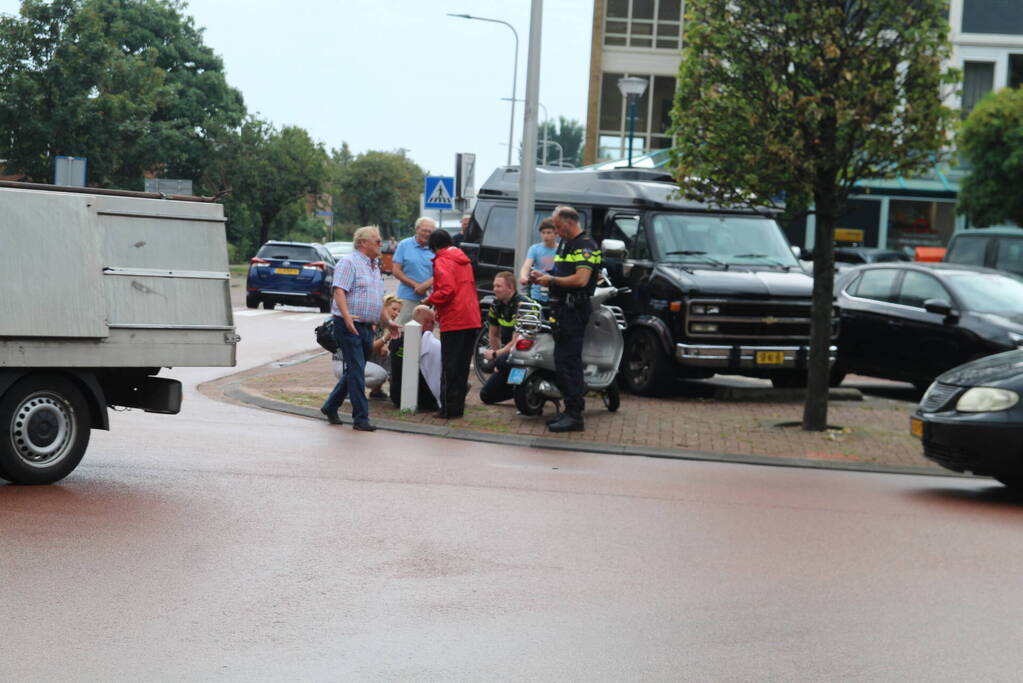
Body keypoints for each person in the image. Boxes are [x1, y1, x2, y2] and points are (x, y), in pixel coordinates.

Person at [529, 205, 601, 432]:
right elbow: (562, 273)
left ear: (570, 222)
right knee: (562, 360)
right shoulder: (567, 244)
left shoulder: (585, 246)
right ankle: (570, 410)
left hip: (574, 310)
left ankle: (575, 415)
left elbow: (581, 280)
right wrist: (545, 277)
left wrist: (551, 281)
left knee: (569, 361)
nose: (556, 230)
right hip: (562, 310)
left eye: (558, 226)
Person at [320, 225, 397, 432]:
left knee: (356, 369)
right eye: (378, 241)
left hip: (367, 327)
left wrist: (388, 322)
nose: (382, 244)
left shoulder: (374, 266)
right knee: (355, 370)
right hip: (349, 325)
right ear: (363, 243)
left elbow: (377, 300)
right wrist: (346, 317)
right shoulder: (349, 262)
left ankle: (330, 406)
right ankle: (360, 418)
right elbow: (339, 292)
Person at [424, 228, 482, 419]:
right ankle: (458, 408)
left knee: (450, 366)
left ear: (434, 246)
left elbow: (447, 290)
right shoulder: (462, 259)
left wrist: (430, 300)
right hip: (471, 317)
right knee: (462, 366)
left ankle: (448, 409)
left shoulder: (443, 260)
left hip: (455, 319)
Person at [479, 271, 533, 405]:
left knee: (502, 361)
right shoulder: (496, 305)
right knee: (486, 395)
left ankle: (527, 388)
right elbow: (493, 335)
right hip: (509, 354)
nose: (494, 289)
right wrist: (498, 359)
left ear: (510, 287)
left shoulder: (523, 305)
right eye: (494, 286)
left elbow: (516, 341)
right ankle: (522, 390)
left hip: (527, 351)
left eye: (498, 286)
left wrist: (496, 355)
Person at [392, 217, 436, 325]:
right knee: (402, 330)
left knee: (424, 333)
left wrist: (425, 286)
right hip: (407, 296)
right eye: (424, 230)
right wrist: (415, 285)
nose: (427, 234)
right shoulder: (404, 245)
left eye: (430, 232)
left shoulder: (435, 247)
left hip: (429, 298)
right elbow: (396, 271)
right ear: (417, 229)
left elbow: (440, 273)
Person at [518, 218, 559, 302]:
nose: (545, 236)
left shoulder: (561, 249)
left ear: (556, 234)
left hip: (555, 293)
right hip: (536, 294)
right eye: (543, 233)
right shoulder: (534, 249)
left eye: (549, 232)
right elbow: (526, 266)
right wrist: (523, 276)